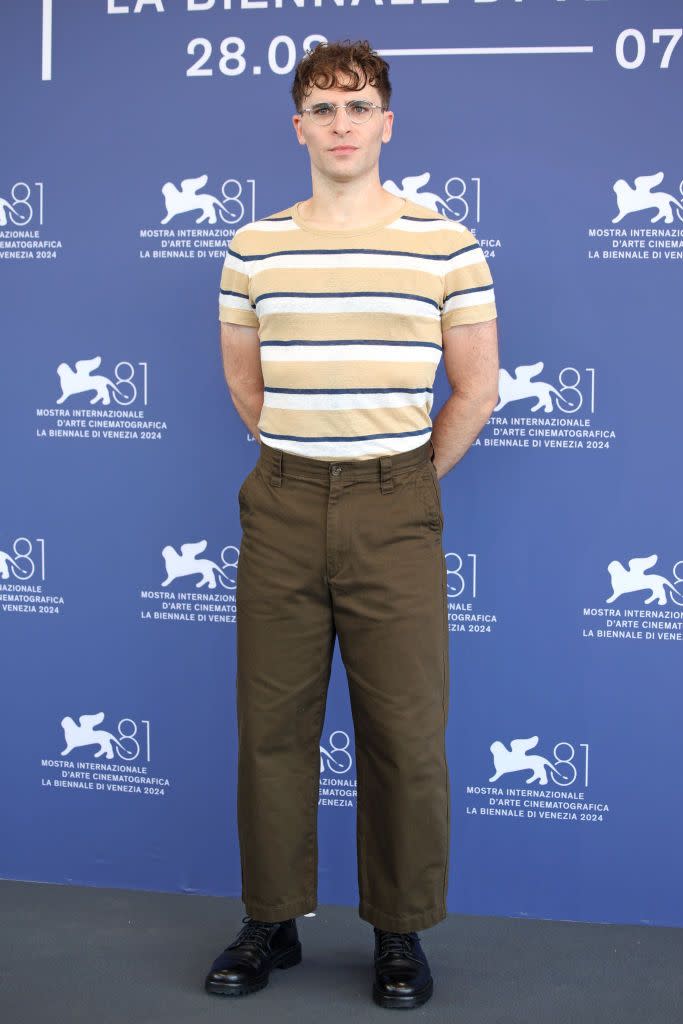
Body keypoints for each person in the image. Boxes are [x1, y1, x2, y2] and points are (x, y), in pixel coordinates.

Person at [205, 38, 499, 1009]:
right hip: (282, 502)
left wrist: (396, 477)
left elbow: (475, 387)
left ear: (385, 122)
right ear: (299, 126)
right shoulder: (252, 245)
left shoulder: (443, 243)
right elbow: (244, 381)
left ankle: (399, 931)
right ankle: (271, 918)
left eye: (357, 105)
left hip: (393, 507)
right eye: (322, 108)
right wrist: (304, 454)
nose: (340, 124)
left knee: (405, 735)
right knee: (270, 730)